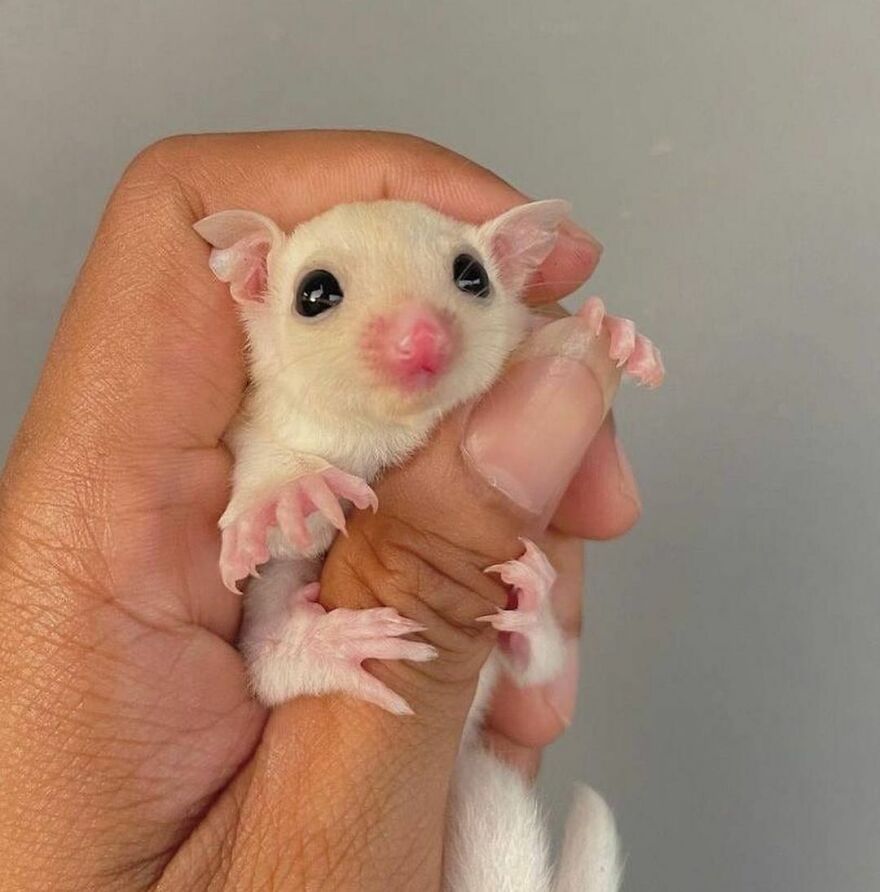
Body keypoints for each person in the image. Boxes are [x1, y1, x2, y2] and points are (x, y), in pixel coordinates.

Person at [0, 131, 642, 890]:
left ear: (509, 269)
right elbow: (262, 557)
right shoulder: (277, 431)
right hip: (292, 698)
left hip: (453, 744)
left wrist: (599, 343)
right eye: (322, 295)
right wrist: (278, 504)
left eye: (468, 276)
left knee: (500, 779)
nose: (418, 332)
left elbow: (526, 672)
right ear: (256, 290)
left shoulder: (496, 363)